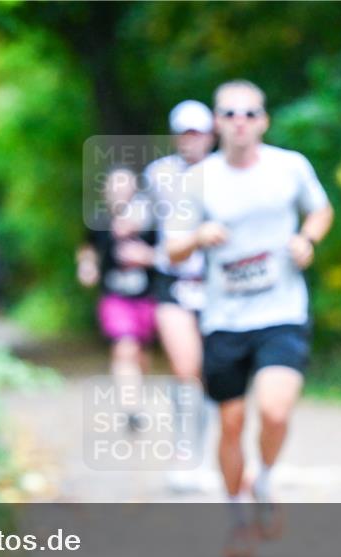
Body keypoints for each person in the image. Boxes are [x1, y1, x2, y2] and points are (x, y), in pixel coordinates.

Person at [169, 79, 334, 557]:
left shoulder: (290, 167)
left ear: (263, 120)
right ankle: (238, 517)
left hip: (281, 310)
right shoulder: (197, 180)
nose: (239, 122)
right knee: (231, 420)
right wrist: (198, 235)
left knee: (276, 410)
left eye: (249, 113)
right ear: (216, 122)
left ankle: (263, 477)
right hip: (223, 318)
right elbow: (172, 247)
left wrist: (307, 239)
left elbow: (321, 211)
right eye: (229, 114)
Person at [144, 100, 217, 493]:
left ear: (210, 134)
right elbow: (146, 223)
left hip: (216, 285)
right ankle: (184, 452)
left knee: (212, 372)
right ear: (176, 136)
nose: (192, 140)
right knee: (185, 369)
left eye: (199, 132)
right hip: (172, 281)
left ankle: (208, 455)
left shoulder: (224, 173)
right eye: (185, 133)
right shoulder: (158, 174)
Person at [77, 167, 158, 416]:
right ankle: (130, 407)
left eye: (124, 186)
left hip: (148, 297)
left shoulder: (150, 220)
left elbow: (171, 255)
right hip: (114, 297)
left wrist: (148, 257)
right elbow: (87, 248)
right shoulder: (99, 221)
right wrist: (87, 266)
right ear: (106, 192)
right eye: (114, 187)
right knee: (125, 347)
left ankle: (135, 393)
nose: (119, 192)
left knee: (140, 353)